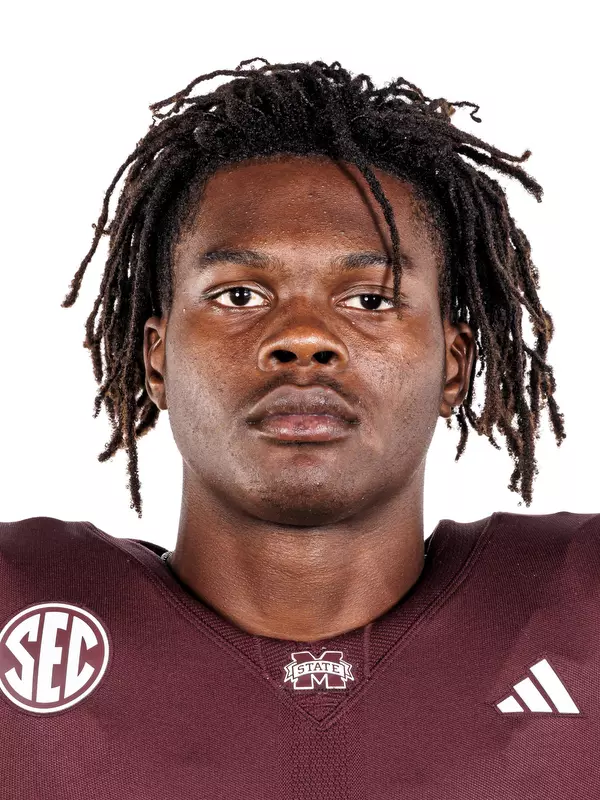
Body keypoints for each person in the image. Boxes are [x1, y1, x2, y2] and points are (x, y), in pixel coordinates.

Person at [0, 58, 595, 799]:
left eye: (371, 301)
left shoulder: (582, 603)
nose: (305, 338)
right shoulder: (20, 607)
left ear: (454, 362)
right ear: (156, 361)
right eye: (240, 293)